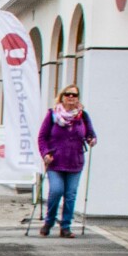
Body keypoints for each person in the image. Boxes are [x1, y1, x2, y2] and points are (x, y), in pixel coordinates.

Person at [37, 86, 96, 237]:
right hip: (55, 161)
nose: (71, 97)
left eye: (74, 95)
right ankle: (49, 222)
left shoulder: (82, 116)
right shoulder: (52, 115)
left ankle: (66, 227)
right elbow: (42, 137)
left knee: (70, 194)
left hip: (75, 161)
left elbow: (90, 134)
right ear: (62, 97)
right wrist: (45, 153)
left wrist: (91, 139)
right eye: (67, 94)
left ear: (78, 98)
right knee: (56, 191)